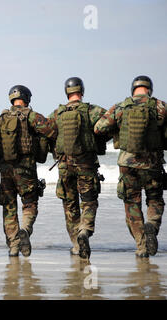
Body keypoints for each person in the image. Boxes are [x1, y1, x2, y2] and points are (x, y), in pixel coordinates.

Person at [94, 75, 166, 258]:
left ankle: (141, 246)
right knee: (155, 199)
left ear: (132, 89)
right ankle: (152, 224)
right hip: (153, 163)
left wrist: (118, 128)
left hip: (127, 164)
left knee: (132, 204)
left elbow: (99, 128)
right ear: (150, 88)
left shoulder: (121, 107)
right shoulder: (160, 106)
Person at [48, 77, 108, 260]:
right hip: (86, 164)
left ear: (66, 92)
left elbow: (47, 133)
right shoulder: (93, 110)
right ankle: (85, 230)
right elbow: (109, 124)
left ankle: (75, 243)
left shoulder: (56, 113)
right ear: (82, 91)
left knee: (69, 204)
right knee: (89, 201)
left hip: (64, 166)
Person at [0, 85, 57, 257]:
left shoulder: (0, 119)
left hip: (6, 170)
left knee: (9, 207)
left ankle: (13, 246)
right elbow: (52, 131)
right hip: (26, 167)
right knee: (29, 203)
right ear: (27, 98)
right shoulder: (32, 116)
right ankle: (26, 230)